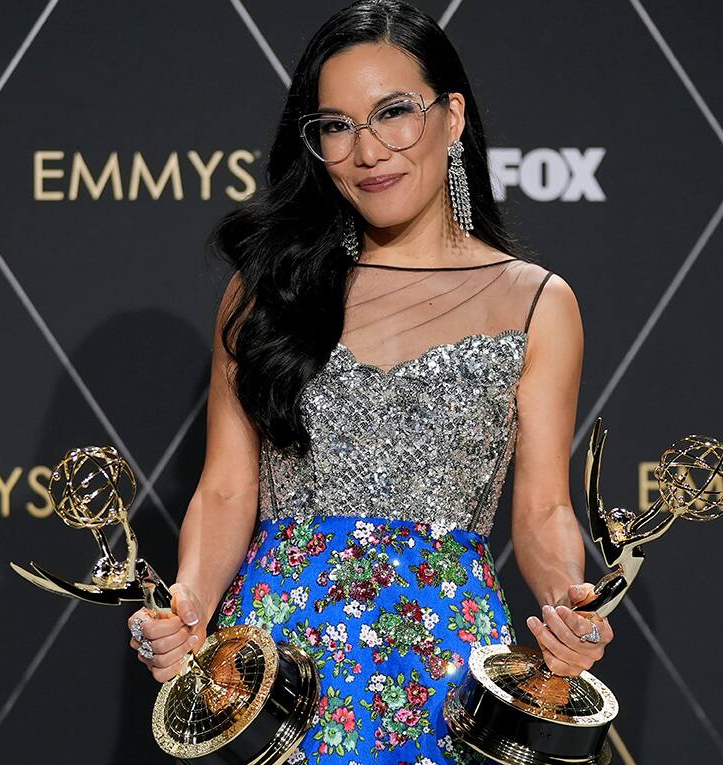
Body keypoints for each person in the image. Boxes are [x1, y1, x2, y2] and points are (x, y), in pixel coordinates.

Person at [128, 2, 612, 762]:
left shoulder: (535, 302)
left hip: (445, 672)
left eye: (393, 113)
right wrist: (187, 604)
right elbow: (225, 489)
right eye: (337, 125)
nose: (368, 151)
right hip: (281, 669)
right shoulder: (269, 290)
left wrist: (565, 610)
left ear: (452, 117)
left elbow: (544, 505)